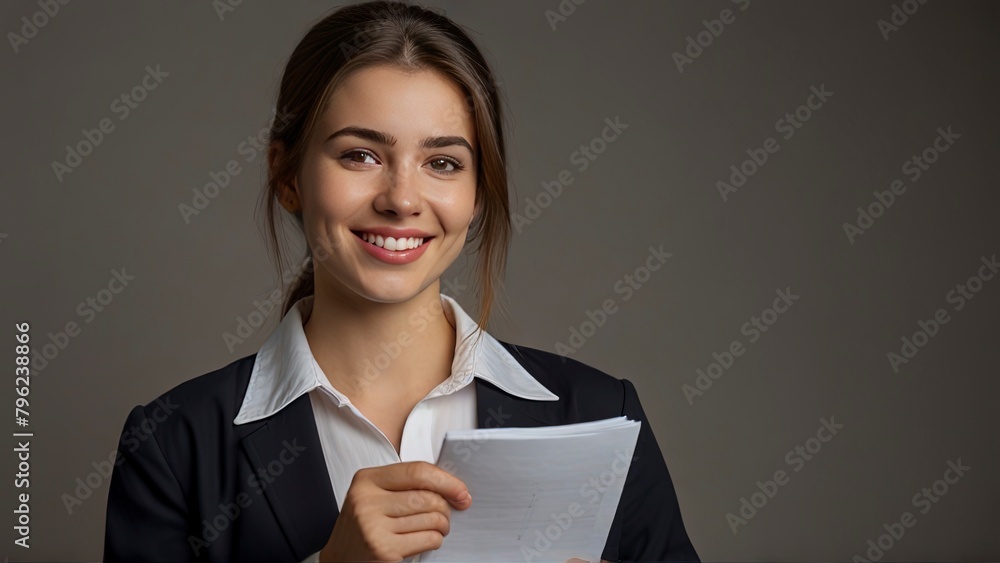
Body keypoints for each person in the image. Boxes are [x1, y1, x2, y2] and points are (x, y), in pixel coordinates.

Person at [103, 2, 699, 561]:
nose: (402, 199)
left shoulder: (600, 417)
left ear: (477, 193)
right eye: (360, 155)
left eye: (442, 163)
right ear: (287, 176)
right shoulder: (172, 445)